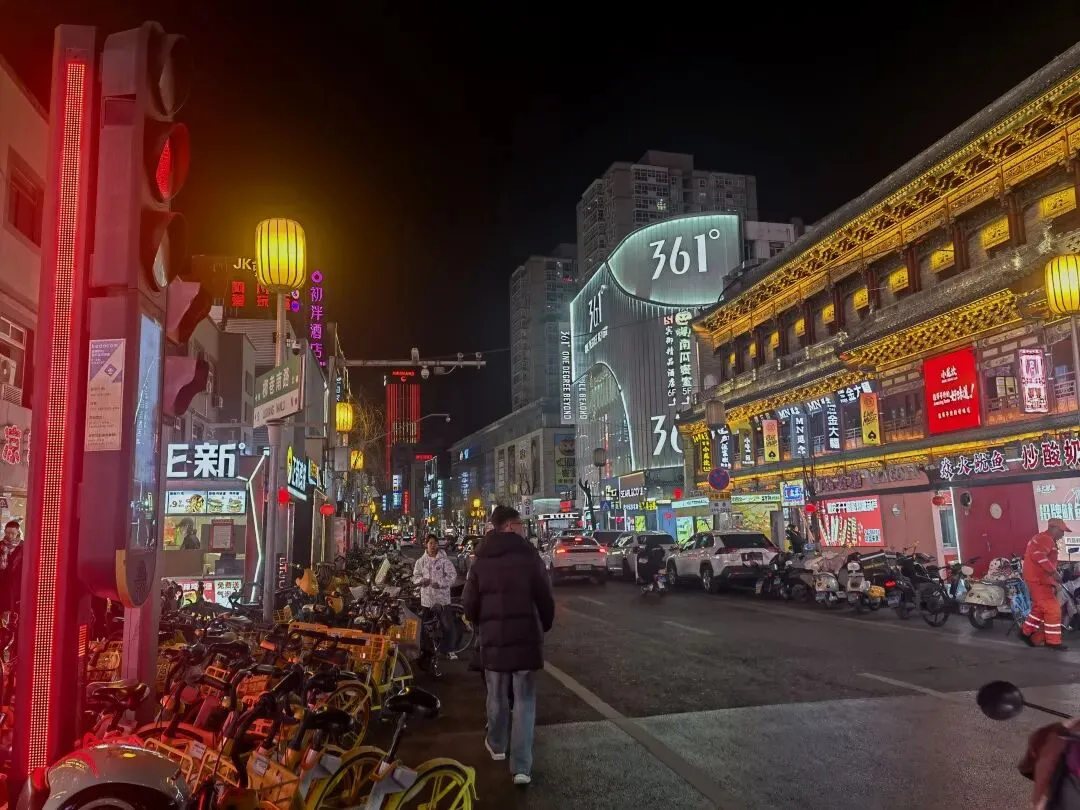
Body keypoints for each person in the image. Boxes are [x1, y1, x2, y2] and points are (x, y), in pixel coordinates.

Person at [462, 505, 554, 787]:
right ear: (510, 526)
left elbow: (469, 603)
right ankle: (522, 767)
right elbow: (545, 596)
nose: (523, 528)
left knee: (496, 696)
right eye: (520, 524)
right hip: (525, 639)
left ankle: (497, 744)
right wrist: (543, 625)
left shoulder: (481, 559)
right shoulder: (530, 556)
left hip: (493, 641)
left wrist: (481, 624)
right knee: (525, 702)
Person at [1021, 517, 1069, 651]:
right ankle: (1053, 641)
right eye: (1062, 531)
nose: (1063, 535)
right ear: (1055, 528)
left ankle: (1026, 632)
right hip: (1039, 580)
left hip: (1039, 579)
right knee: (1052, 609)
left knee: (1039, 609)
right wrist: (1054, 572)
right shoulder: (1045, 539)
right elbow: (1039, 555)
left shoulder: (1042, 538)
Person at [412, 533, 459, 663]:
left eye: (435, 543)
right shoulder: (421, 561)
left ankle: (449, 650)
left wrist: (441, 583)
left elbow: (452, 576)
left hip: (442, 599)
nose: (433, 546)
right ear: (426, 545)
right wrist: (421, 581)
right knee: (423, 626)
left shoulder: (444, 560)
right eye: (430, 543)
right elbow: (415, 576)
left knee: (447, 625)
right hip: (427, 600)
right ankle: (427, 650)